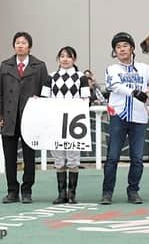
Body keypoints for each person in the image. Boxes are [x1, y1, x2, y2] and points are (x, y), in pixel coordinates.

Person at [100, 32, 149, 205]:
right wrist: (134, 92)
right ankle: (107, 192)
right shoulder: (112, 69)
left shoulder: (144, 68)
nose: (122, 49)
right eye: (118, 47)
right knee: (113, 157)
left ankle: (133, 191)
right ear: (115, 51)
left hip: (139, 119)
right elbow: (113, 85)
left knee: (137, 159)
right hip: (118, 117)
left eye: (125, 46)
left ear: (132, 48)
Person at [0, 32, 48, 204]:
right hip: (9, 118)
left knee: (29, 157)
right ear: (14, 46)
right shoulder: (5, 66)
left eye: (23, 43)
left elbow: (45, 92)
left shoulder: (39, 66)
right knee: (9, 157)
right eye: (17, 42)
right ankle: (12, 191)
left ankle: (27, 190)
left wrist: (40, 113)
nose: (20, 45)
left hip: (30, 118)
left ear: (29, 47)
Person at [41, 46, 90, 204]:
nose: (65, 59)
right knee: (59, 159)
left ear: (74, 59)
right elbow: (44, 98)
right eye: (62, 56)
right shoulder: (50, 77)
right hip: (55, 123)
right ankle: (61, 194)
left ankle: (72, 194)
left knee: (73, 159)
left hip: (74, 124)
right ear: (58, 59)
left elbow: (86, 100)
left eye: (69, 56)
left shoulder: (81, 77)